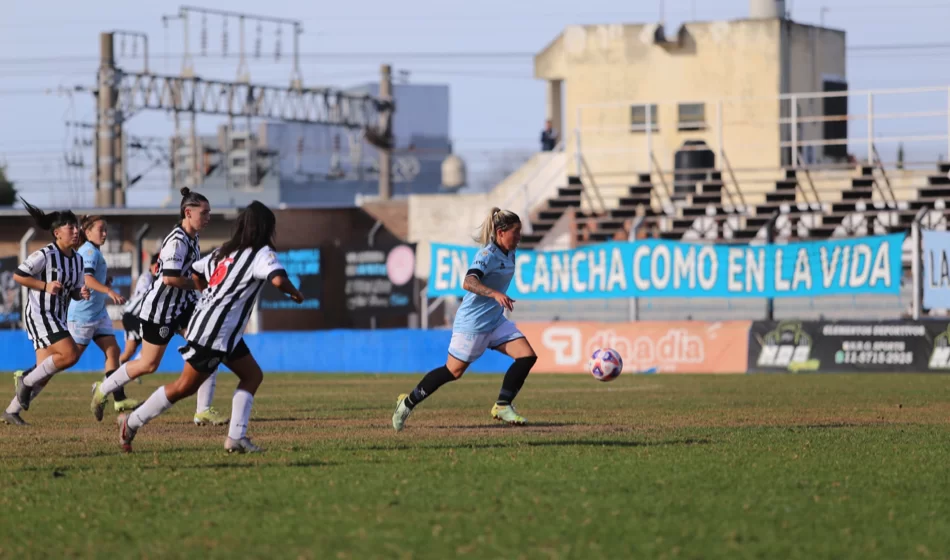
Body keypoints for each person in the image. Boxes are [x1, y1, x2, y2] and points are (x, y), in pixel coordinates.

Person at [116, 201, 305, 453]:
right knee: (185, 387)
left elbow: (195, 270)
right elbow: (279, 279)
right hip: (214, 332)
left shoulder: (223, 252)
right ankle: (131, 422)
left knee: (252, 375)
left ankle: (236, 438)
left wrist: (208, 297)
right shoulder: (261, 253)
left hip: (218, 330)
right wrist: (295, 294)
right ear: (265, 228)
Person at [392, 207, 538, 431]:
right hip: (472, 324)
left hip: (494, 320)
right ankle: (407, 403)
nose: (519, 237)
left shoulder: (510, 252)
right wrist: (495, 293)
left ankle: (502, 405)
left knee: (527, 356)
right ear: (500, 232)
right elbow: (468, 282)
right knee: (453, 371)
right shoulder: (487, 255)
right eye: (515, 232)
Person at [91, 188, 228, 426]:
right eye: (204, 213)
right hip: (160, 312)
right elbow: (170, 278)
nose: (208, 217)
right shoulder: (177, 241)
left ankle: (203, 410)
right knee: (148, 364)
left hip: (183, 307)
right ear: (188, 212)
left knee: (209, 347)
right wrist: (200, 284)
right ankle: (103, 388)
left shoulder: (192, 237)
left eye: (209, 213)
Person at [1, 199, 91, 426]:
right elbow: (18, 275)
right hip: (40, 314)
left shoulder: (78, 261)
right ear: (57, 233)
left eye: (76, 226)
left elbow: (73, 293)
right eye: (70, 227)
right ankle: (25, 380)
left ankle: (11, 411)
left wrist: (81, 294)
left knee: (45, 372)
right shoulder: (45, 254)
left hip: (57, 317)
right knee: (70, 355)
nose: (75, 230)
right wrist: (45, 286)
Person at [69, 215, 140, 420]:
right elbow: (87, 278)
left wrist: (104, 281)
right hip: (83, 315)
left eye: (106, 229)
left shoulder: (93, 251)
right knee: (69, 358)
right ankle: (28, 378)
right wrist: (109, 291)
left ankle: (118, 398)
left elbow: (92, 277)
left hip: (97, 313)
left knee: (113, 351)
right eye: (101, 229)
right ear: (87, 231)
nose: (105, 233)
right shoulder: (90, 251)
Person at [118, 253, 159, 365]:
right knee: (152, 341)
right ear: (150, 266)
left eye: (160, 266)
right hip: (131, 315)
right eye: (156, 265)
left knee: (129, 352)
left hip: (136, 317)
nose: (158, 268)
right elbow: (143, 294)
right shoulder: (147, 277)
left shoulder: (159, 279)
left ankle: (110, 378)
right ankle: (136, 366)